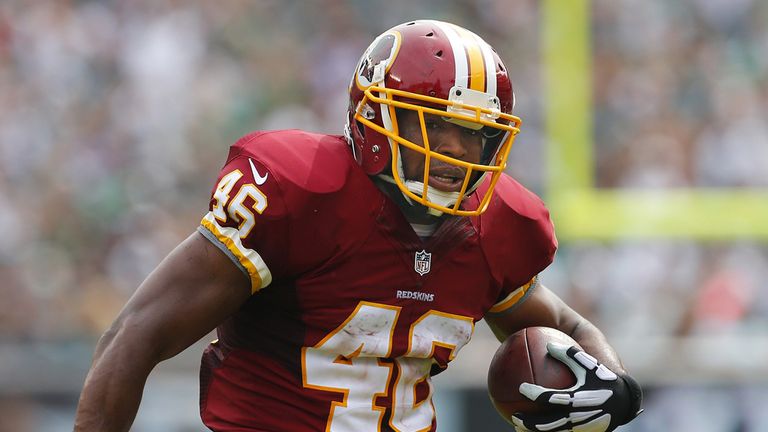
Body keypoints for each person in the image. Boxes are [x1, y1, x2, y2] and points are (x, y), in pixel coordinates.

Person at [74, 20, 642, 432]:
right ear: (377, 118)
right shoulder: (300, 194)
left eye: (475, 134)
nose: (457, 151)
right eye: (435, 126)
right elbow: (135, 335)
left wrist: (614, 387)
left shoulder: (499, 226)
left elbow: (565, 325)